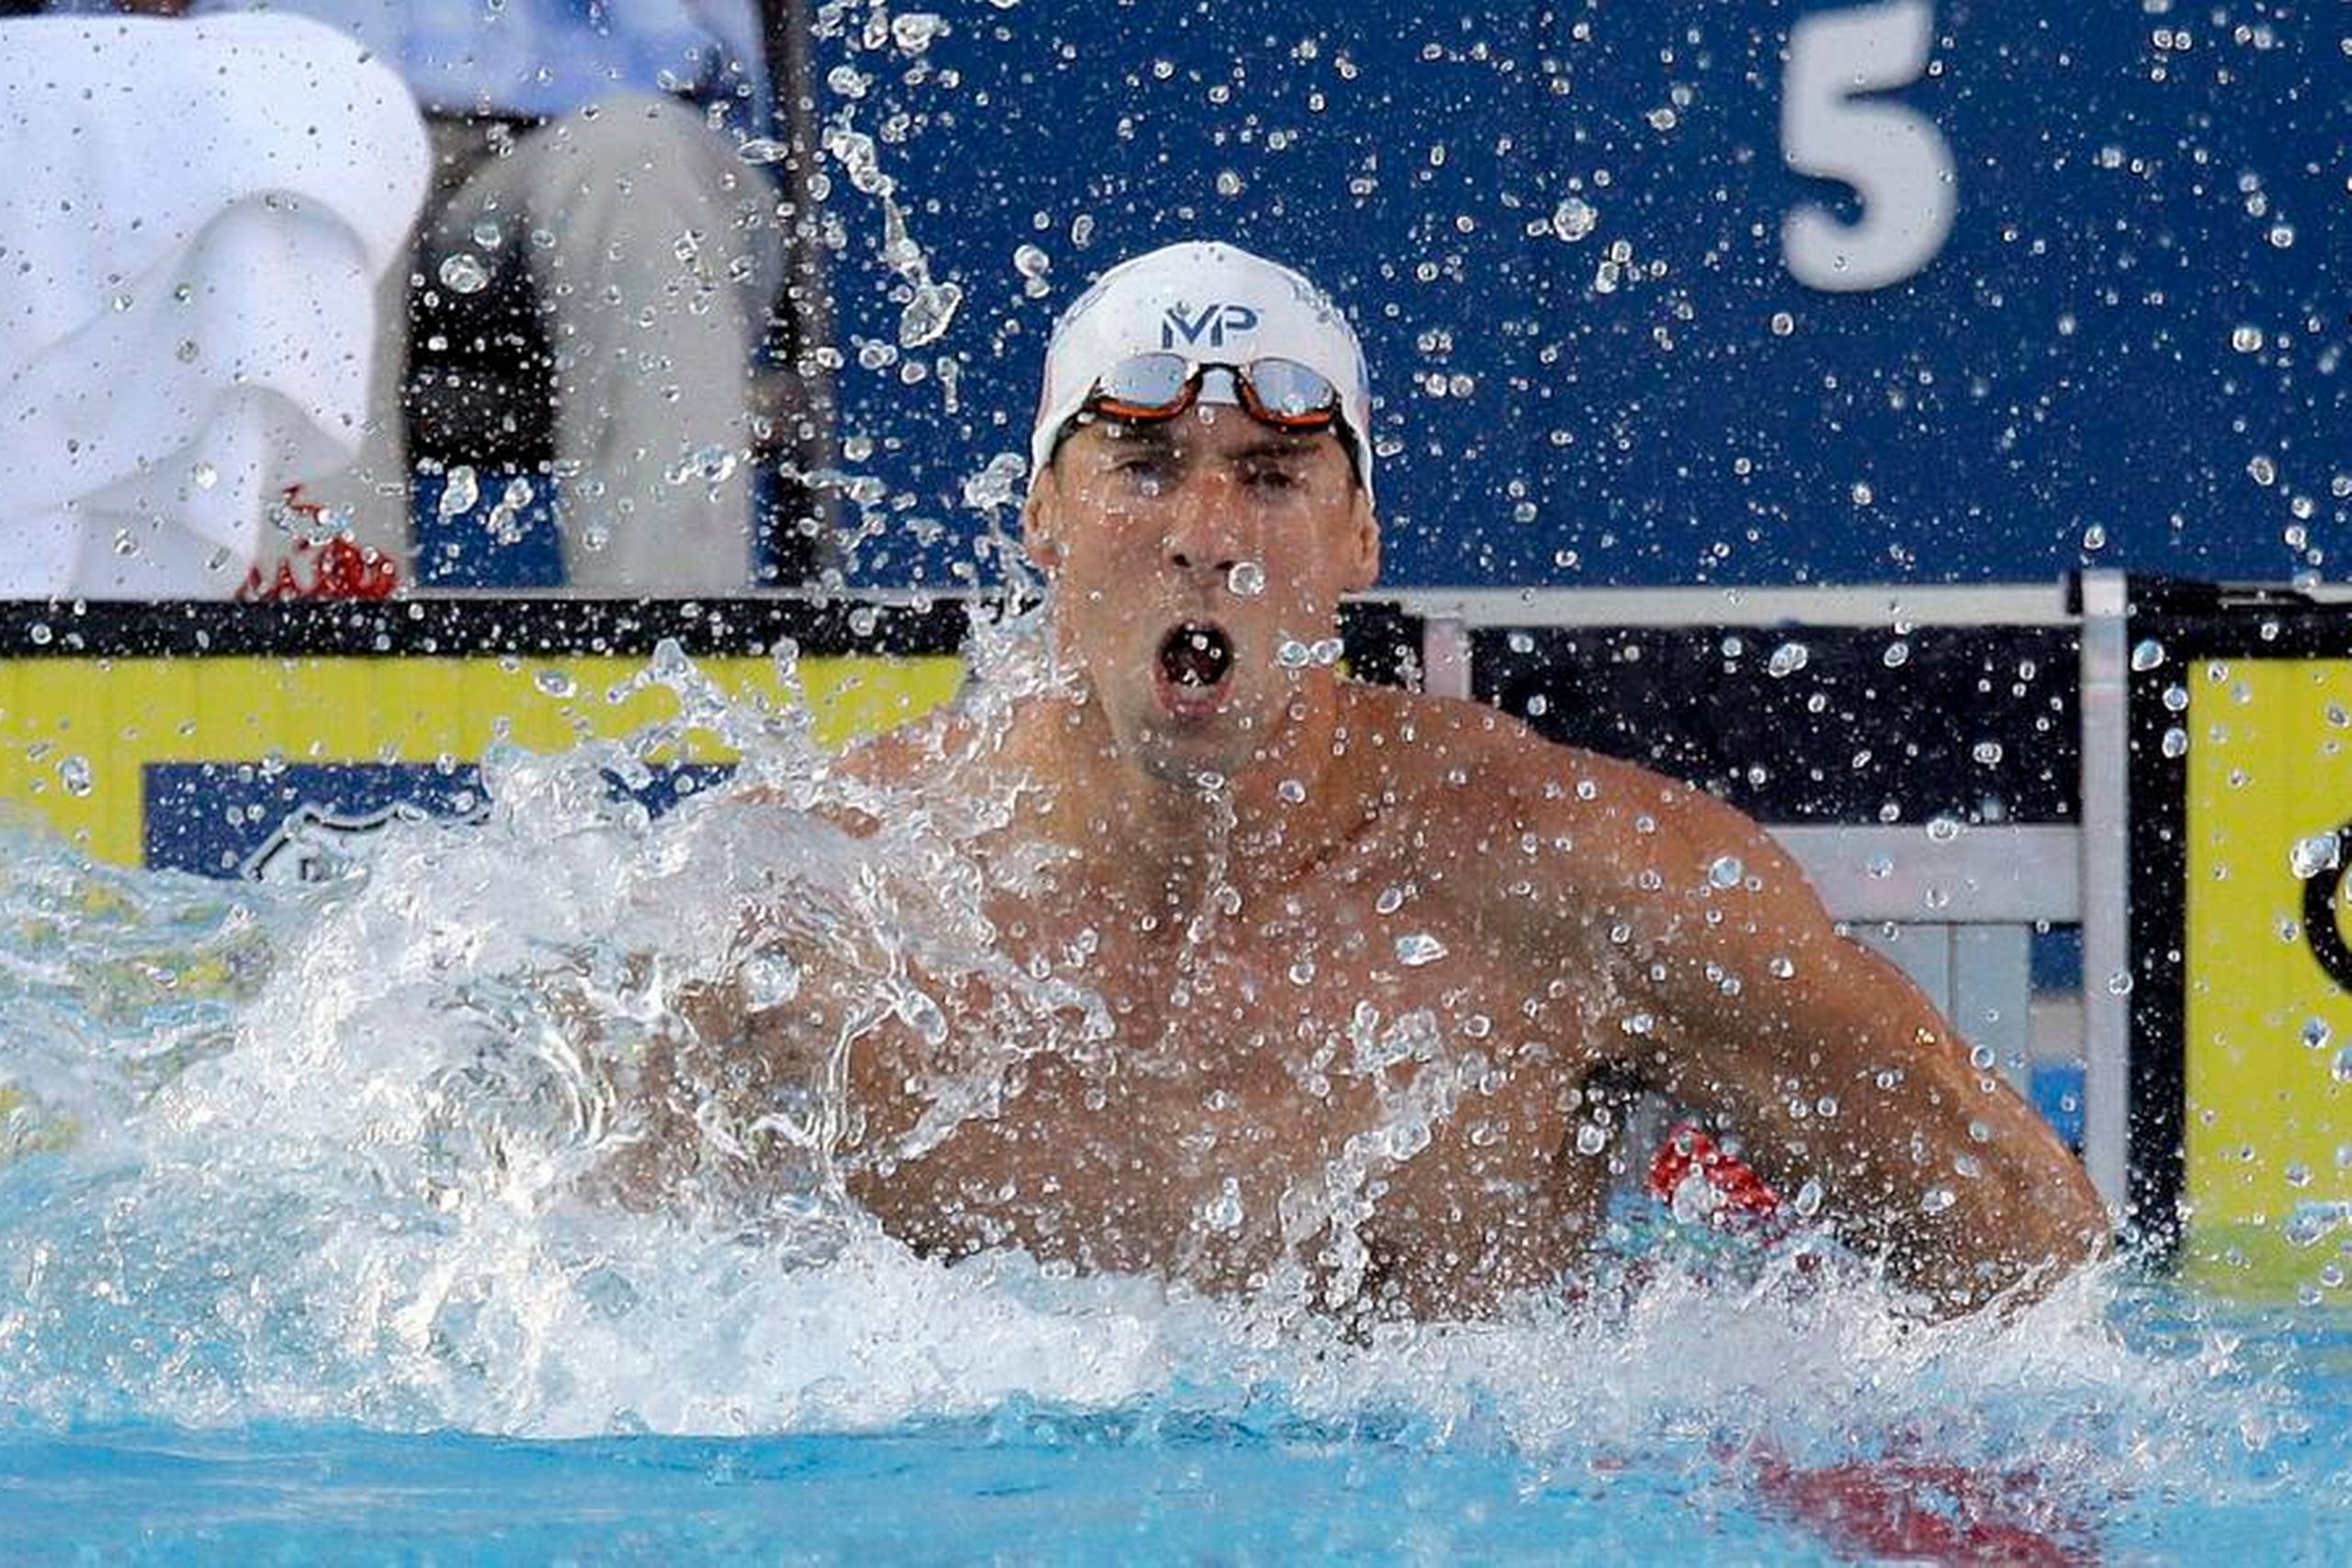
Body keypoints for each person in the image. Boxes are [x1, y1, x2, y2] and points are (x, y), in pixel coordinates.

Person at [641, 241, 2107, 1323]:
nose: (1206, 533)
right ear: (1041, 513)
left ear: (1359, 544)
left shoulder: (1570, 880)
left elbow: (2032, 1247)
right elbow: (544, 1312)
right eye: (1143, 465)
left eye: (1272, 479)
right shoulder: (847, 897)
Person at [139, 0, 804, 593]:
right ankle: (309, 671)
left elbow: (695, 61)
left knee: (639, 171)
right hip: (304, 120)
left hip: (601, 118)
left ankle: (670, 679)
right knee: (301, 167)